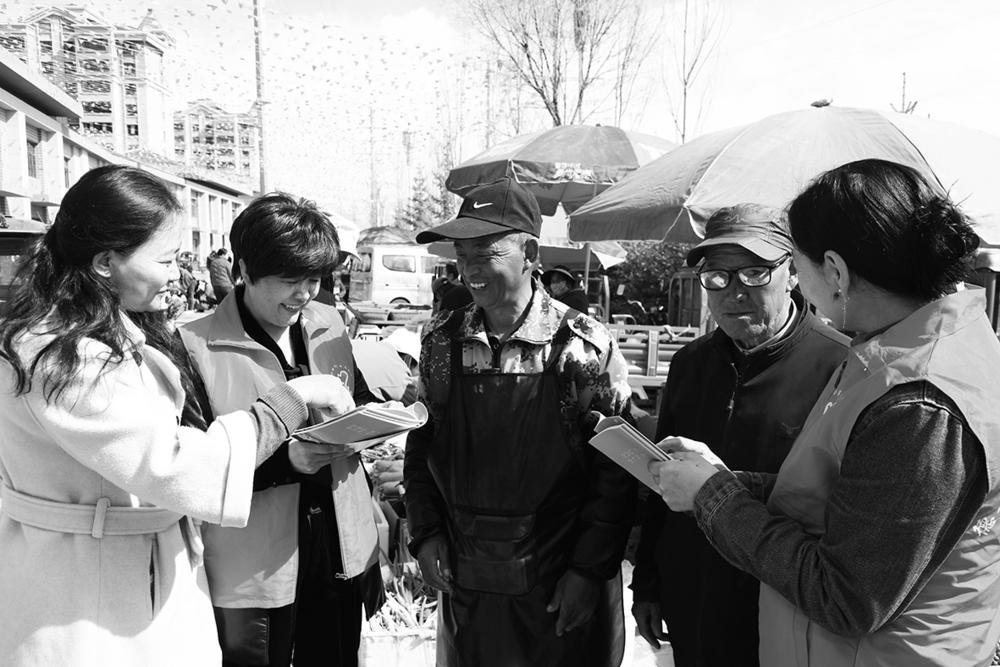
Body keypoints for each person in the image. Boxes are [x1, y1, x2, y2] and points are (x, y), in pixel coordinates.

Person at [650, 159, 1000, 667]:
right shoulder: (908, 353)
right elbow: (855, 500)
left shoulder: (920, 402)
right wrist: (729, 482)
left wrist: (712, 497)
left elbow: (847, 596)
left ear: (834, 271)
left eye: (791, 263)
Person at [0, 166, 353, 666]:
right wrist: (291, 401)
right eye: (166, 260)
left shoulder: (103, 333)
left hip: (133, 566)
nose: (176, 274)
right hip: (90, 586)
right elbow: (177, 463)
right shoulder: (64, 358)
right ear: (105, 262)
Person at [404, 178, 637, 667]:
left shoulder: (582, 345)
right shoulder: (441, 342)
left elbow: (616, 472)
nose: (469, 271)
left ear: (529, 253)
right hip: (469, 580)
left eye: (485, 254)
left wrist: (588, 571)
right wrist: (425, 533)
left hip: (559, 579)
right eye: (461, 255)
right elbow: (423, 445)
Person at [630, 204, 848, 666]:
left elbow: (840, 506)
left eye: (754, 273)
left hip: (783, 612)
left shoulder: (841, 366)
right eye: (717, 276)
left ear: (792, 273)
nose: (734, 292)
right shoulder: (690, 364)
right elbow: (659, 481)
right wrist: (647, 582)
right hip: (690, 596)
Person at [179, 194, 383, 667]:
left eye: (314, 279)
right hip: (255, 563)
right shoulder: (194, 345)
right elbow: (191, 468)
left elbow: (357, 395)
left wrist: (375, 421)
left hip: (337, 540)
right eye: (289, 280)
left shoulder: (329, 324)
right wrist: (285, 462)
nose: (304, 294)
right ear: (243, 270)